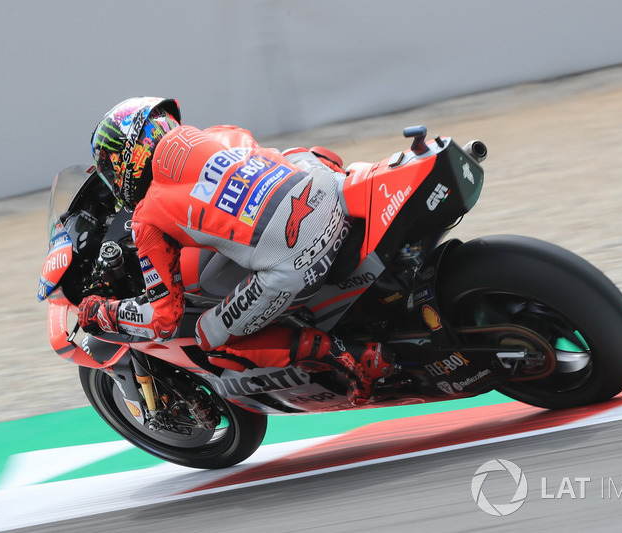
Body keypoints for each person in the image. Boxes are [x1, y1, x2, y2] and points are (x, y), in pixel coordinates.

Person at [78, 97, 394, 405]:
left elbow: (165, 320)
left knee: (209, 337)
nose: (113, 177)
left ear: (130, 158)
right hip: (327, 193)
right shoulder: (215, 134)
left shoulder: (148, 215)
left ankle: (345, 354)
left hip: (296, 259)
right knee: (296, 153)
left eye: (111, 168)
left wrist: (103, 313)